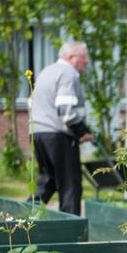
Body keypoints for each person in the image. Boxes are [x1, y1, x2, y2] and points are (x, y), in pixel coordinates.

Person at [29, 41, 94, 215]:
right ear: (71, 58)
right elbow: (65, 110)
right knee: (70, 185)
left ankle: (23, 218)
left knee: (48, 180)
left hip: (38, 132)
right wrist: (82, 131)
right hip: (58, 135)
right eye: (83, 57)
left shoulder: (46, 72)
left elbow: (33, 102)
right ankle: (71, 232)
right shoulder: (68, 74)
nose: (86, 61)